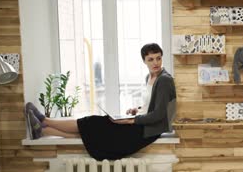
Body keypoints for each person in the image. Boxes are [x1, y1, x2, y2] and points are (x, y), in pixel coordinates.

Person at [25, 43, 176, 161]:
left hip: (146, 131)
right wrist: (137, 109)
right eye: (151, 59)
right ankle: (44, 130)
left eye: (158, 58)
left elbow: (159, 114)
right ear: (144, 61)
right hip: (140, 124)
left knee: (92, 123)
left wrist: (132, 121)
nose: (155, 62)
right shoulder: (149, 78)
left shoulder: (164, 80)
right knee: (95, 134)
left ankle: (45, 120)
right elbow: (151, 104)